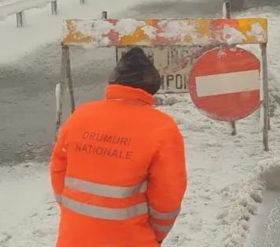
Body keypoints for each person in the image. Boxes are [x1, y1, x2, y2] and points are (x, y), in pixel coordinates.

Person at [50, 47, 187, 246]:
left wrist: (81, 217)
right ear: (151, 87)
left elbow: (58, 169)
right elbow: (168, 197)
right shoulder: (162, 128)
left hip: (74, 238)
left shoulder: (80, 116)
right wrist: (153, 235)